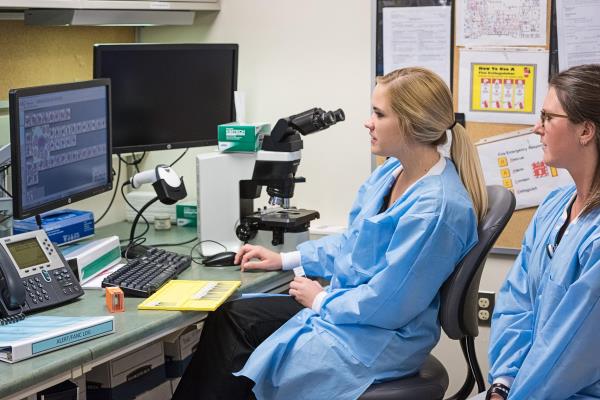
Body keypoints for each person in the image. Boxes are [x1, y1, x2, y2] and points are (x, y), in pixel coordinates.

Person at [172, 67, 488, 400]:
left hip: (379, 336)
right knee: (233, 317)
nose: (368, 122)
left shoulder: (437, 209)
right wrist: (285, 259)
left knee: (249, 367)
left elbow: (391, 304)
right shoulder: (393, 173)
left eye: (379, 114)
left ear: (411, 123)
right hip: (351, 313)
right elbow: (354, 244)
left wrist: (320, 299)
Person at [485, 64, 600, 400]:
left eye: (548, 118)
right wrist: (503, 381)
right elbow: (516, 301)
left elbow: (570, 353)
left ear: (586, 131)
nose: (537, 128)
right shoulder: (554, 206)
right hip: (520, 386)